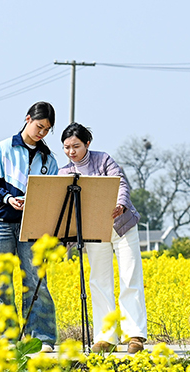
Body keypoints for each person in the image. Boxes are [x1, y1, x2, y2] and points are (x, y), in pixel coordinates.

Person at [58, 123, 147, 353]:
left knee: (130, 276)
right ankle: (106, 336)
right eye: (66, 147)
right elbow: (68, 211)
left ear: (87, 143)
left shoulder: (103, 159)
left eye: (76, 146)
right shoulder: (64, 173)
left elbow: (121, 183)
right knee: (99, 281)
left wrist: (120, 204)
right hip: (94, 230)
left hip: (121, 224)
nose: (71, 151)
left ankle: (135, 335)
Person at [0, 101, 59, 350]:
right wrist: (7, 198)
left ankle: (41, 337)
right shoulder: (3, 148)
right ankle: (3, 336)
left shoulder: (49, 159)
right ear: (27, 119)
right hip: (1, 223)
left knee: (35, 280)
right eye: (39, 126)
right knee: (0, 280)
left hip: (32, 226)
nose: (42, 133)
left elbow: (52, 193)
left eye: (47, 130)